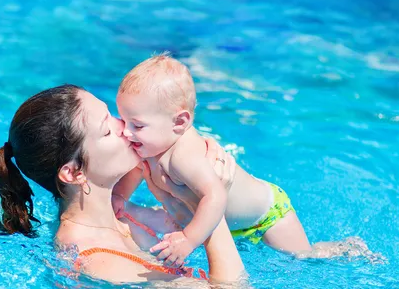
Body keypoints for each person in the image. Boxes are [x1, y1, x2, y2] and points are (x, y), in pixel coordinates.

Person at [0, 84, 247, 284]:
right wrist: (210, 199)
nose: (124, 127)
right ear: (74, 173)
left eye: (110, 114)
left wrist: (194, 168)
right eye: (106, 130)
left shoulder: (119, 214)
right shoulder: (100, 262)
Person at [113, 53, 314, 268]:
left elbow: (215, 196)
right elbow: (135, 169)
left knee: (306, 259)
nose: (126, 131)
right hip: (230, 227)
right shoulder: (153, 142)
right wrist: (119, 196)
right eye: (123, 120)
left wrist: (189, 239)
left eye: (137, 125)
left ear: (179, 122)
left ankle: (340, 250)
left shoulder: (184, 156)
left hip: (268, 218)